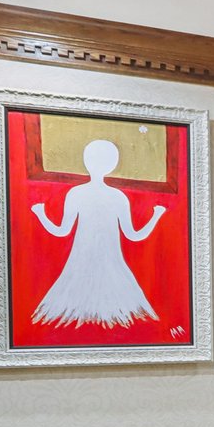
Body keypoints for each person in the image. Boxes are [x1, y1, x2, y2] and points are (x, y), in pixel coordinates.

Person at [29, 139, 166, 328]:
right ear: (113, 165)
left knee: (71, 314)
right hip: (111, 262)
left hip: (81, 262)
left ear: (86, 161)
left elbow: (61, 231)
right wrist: (156, 216)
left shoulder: (76, 193)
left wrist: (40, 214)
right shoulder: (118, 197)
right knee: (124, 316)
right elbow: (134, 235)